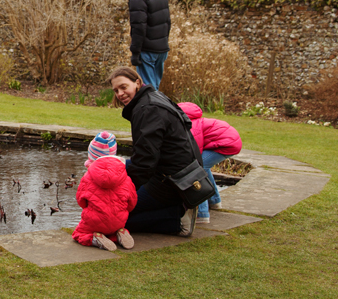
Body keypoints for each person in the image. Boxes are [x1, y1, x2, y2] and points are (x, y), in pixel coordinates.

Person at [108, 66, 198, 237]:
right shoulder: (153, 97)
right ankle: (176, 208)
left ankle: (177, 219)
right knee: (116, 169)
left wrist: (126, 190)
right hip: (180, 172)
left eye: (124, 87)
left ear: (137, 83)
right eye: (116, 90)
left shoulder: (147, 109)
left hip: (172, 180)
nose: (120, 93)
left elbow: (145, 160)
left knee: (114, 219)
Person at [178, 102, 242, 224]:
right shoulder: (196, 120)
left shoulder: (191, 126)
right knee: (204, 168)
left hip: (226, 144)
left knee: (196, 170)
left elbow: (196, 149)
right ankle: (215, 201)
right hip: (231, 141)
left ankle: (202, 214)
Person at [72, 132, 137, 251]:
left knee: (79, 233)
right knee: (113, 223)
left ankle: (94, 239)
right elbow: (132, 201)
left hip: (95, 220)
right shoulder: (124, 175)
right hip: (119, 219)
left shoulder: (88, 176)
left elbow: (81, 200)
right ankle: (119, 232)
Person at [116, 0, 171, 90]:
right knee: (155, 87)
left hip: (147, 51)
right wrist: (164, 42)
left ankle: (153, 109)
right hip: (162, 50)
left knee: (148, 90)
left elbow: (138, 27)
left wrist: (135, 52)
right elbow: (167, 22)